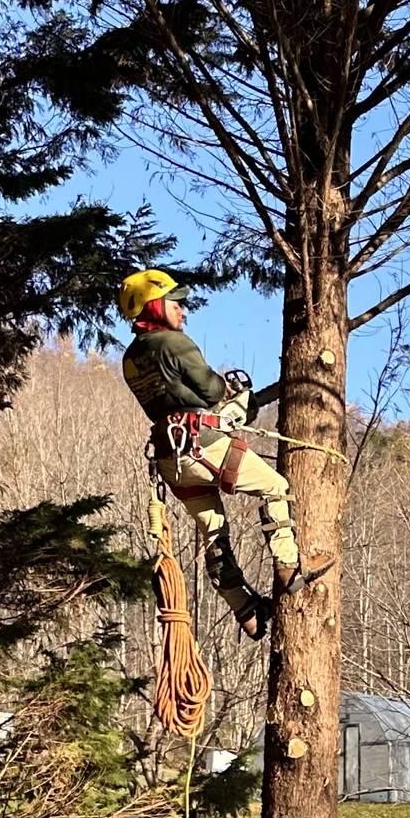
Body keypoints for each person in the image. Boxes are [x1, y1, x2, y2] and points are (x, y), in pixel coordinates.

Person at [119, 267, 335, 639]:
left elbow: (174, 397)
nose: (183, 311)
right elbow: (210, 391)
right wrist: (231, 392)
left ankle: (246, 609)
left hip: (173, 461)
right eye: (176, 304)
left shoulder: (130, 358)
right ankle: (288, 565)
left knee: (214, 534)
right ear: (155, 305)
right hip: (206, 444)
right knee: (276, 488)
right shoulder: (173, 343)